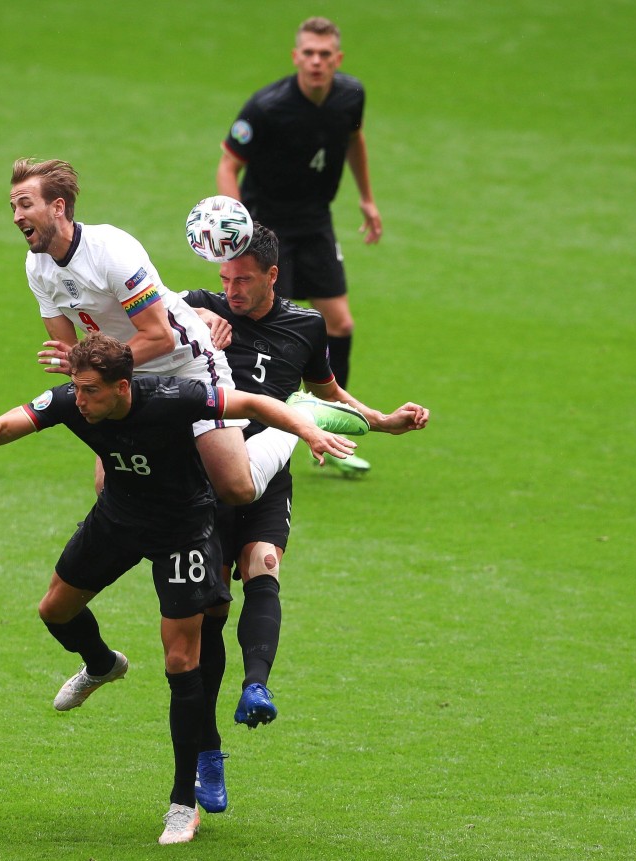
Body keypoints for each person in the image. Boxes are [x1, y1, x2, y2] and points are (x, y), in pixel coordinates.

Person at [0, 333, 360, 845]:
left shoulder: (174, 398)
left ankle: (181, 804)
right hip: (117, 521)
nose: (79, 401)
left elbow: (252, 402)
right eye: (76, 390)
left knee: (180, 663)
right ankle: (103, 664)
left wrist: (309, 429)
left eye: (90, 391)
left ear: (123, 388)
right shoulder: (74, 402)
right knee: (55, 610)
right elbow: (1, 422)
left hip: (183, 534)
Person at [180, 225, 430, 814]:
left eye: (242, 280)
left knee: (264, 564)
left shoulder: (306, 326)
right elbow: (134, 332)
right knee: (210, 611)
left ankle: (256, 685)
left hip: (267, 472)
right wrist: (191, 325)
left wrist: (383, 421)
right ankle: (208, 752)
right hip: (205, 477)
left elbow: (327, 391)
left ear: (272, 276)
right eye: (225, 279)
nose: (231, 290)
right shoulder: (198, 308)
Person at [10, 156, 368, 502]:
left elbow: (160, 336)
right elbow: (71, 348)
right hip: (125, 372)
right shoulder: (36, 267)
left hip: (187, 363)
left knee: (235, 487)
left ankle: (297, 415)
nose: (17, 216)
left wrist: (96, 368)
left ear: (58, 207)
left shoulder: (109, 251)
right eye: (13, 207)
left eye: (25, 204)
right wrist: (80, 366)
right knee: (112, 490)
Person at [216, 16, 381, 401]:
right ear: (296, 56)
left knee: (339, 323)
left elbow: (354, 139)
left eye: (325, 54)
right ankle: (264, 415)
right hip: (268, 229)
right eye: (309, 53)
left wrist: (367, 198)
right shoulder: (266, 106)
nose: (316, 61)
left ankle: (335, 419)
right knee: (268, 326)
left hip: (315, 222)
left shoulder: (351, 95)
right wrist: (241, 233)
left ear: (338, 58)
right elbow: (228, 163)